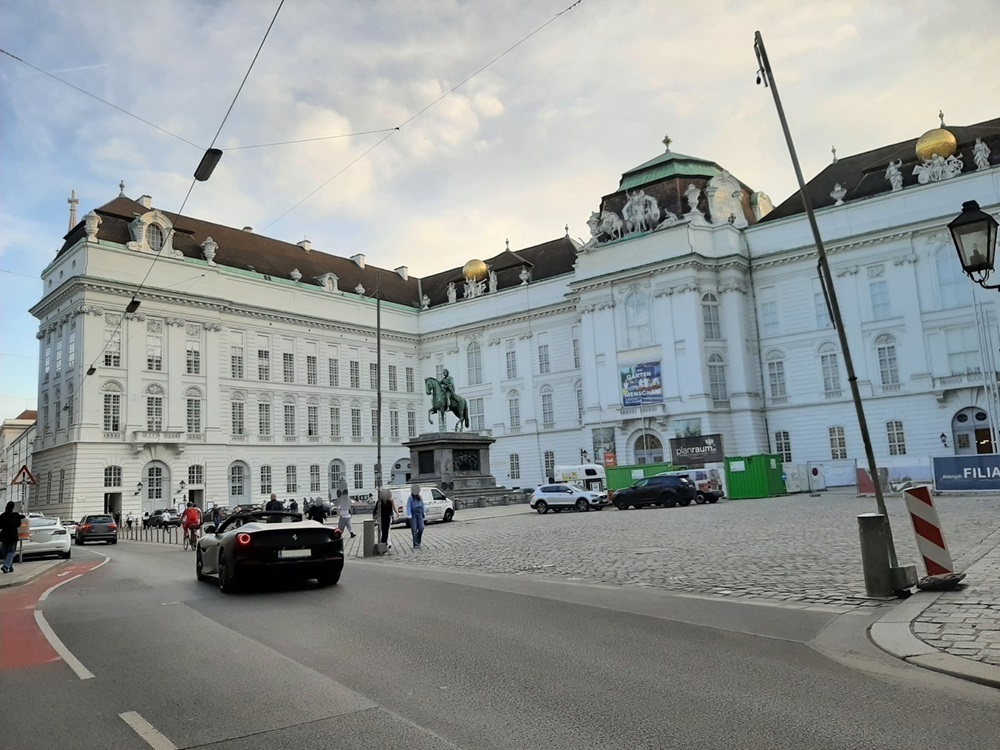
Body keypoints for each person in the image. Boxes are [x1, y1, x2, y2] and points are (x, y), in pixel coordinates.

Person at [1, 501, 25, 573]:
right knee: (11, 552)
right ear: (13, 507)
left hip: (4, 536)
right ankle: (6, 566)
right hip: (12, 535)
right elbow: (18, 524)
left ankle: (10, 567)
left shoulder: (3, 515)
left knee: (5, 552)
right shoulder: (15, 515)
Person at [407, 485, 426, 549]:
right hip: (413, 514)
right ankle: (416, 543)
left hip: (419, 512)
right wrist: (409, 515)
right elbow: (408, 507)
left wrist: (424, 512)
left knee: (421, 528)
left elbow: (422, 505)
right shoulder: (410, 498)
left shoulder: (420, 497)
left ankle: (418, 540)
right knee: (414, 529)